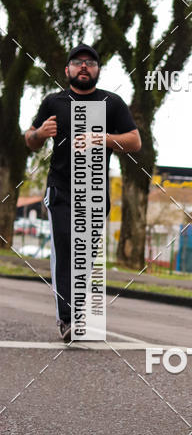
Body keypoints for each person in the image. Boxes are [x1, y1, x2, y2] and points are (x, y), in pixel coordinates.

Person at [25, 44, 141, 341]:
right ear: (68, 70)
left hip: (95, 192)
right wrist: (40, 134)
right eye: (78, 62)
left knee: (85, 255)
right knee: (65, 247)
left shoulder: (112, 103)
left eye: (90, 62)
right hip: (61, 189)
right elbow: (30, 139)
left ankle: (74, 311)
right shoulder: (54, 102)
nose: (84, 67)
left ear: (98, 70)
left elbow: (134, 141)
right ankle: (68, 320)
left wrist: (103, 139)